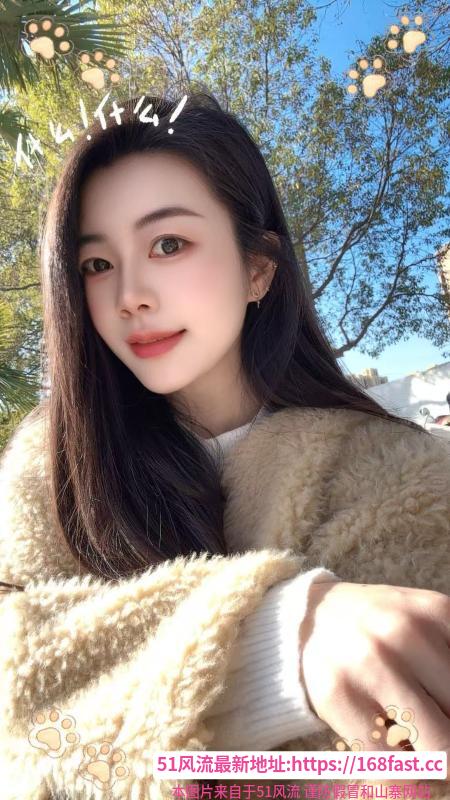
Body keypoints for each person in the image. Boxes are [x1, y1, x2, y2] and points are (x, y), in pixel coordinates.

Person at [0, 90, 449, 800]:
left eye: (168, 244)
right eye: (97, 264)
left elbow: (411, 767)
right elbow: (15, 694)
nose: (129, 295)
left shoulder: (402, 480)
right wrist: (281, 641)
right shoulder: (45, 475)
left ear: (258, 268)